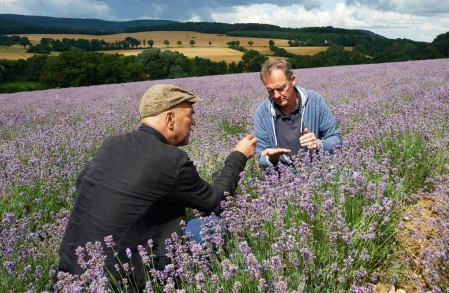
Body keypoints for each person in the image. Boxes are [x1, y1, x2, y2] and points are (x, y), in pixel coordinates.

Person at [57, 84, 257, 287]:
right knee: (211, 225)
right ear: (170, 118)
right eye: (190, 115)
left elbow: (82, 183)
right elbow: (217, 202)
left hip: (72, 271)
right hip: (126, 279)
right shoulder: (171, 159)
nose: (193, 123)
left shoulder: (110, 144)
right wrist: (238, 156)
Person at [254, 58, 341, 168]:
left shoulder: (315, 101)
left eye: (280, 88)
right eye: (270, 91)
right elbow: (261, 156)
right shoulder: (262, 113)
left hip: (316, 171)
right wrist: (272, 158)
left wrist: (318, 144)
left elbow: (336, 140)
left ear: (292, 80)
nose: (276, 95)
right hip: (281, 177)